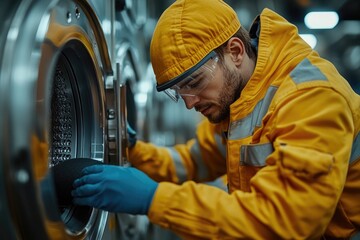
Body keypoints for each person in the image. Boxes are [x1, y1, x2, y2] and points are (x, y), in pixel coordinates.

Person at [71, 0, 360, 238]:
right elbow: (191, 162)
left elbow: (289, 221)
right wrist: (131, 150)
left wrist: (153, 199)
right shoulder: (240, 102)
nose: (189, 103)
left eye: (195, 83)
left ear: (234, 51)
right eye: (177, 92)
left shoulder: (310, 98)